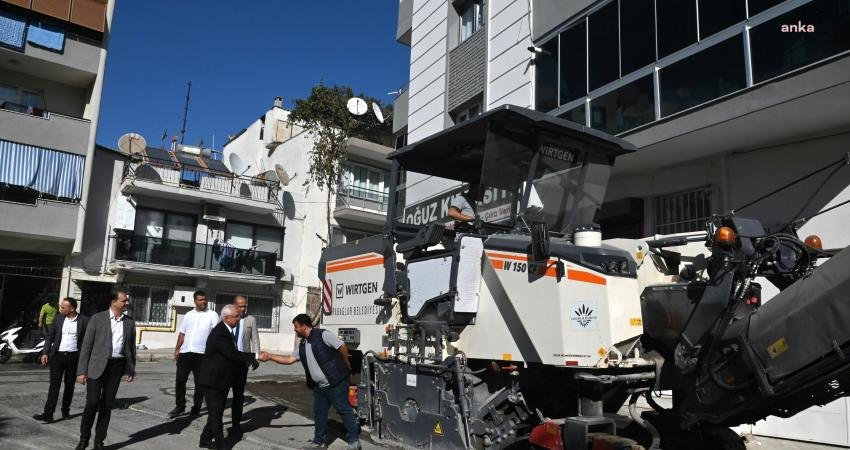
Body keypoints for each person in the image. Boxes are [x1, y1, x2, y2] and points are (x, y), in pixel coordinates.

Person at [258, 314, 359, 449]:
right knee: (320, 413)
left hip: (336, 382)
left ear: (304, 326)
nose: (295, 330)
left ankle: (354, 441)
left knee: (344, 410)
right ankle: (319, 441)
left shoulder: (322, 335)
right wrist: (270, 356)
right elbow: (289, 359)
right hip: (319, 386)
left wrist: (345, 361)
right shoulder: (303, 344)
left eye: (296, 327)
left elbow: (341, 345)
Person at [75, 290, 136, 450]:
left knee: (107, 405)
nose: (127, 303)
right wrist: (81, 371)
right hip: (96, 367)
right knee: (92, 403)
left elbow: (130, 348)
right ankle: (84, 439)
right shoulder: (97, 319)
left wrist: (130, 369)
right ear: (114, 302)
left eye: (126, 301)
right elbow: (86, 346)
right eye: (124, 301)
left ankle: (99, 441)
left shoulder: (129, 322)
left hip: (116, 367)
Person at [197, 304, 259, 449]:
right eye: (236, 316)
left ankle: (205, 439)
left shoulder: (226, 330)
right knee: (216, 415)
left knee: (215, 412)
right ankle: (221, 444)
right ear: (227, 318)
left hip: (221, 380)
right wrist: (256, 355)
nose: (239, 318)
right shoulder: (220, 332)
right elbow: (232, 354)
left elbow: (229, 356)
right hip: (213, 381)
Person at [33, 297, 89, 423]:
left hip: (73, 357)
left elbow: (87, 342)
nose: (60, 309)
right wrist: (45, 353)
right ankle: (48, 414)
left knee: (69, 386)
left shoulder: (84, 321)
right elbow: (50, 336)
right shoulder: (58, 318)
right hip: (57, 356)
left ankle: (65, 411)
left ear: (72, 309)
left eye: (63, 307)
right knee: (54, 386)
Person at [168, 290, 218, 419]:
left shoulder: (213, 315)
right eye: (201, 300)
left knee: (200, 384)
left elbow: (215, 336)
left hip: (202, 354)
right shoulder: (188, 315)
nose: (204, 302)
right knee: (180, 380)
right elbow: (182, 333)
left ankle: (196, 408)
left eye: (205, 299)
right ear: (195, 300)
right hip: (185, 353)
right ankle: (180, 406)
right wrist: (177, 349)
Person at [229, 294, 260, 435]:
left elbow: (255, 340)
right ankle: (214, 424)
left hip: (243, 362)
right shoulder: (226, 317)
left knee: (238, 394)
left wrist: (256, 357)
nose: (243, 309)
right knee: (222, 393)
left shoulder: (250, 320)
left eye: (245, 306)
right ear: (234, 305)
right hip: (227, 362)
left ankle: (236, 424)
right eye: (240, 306)